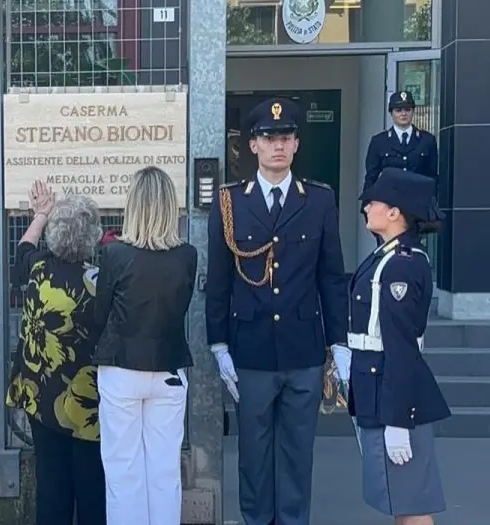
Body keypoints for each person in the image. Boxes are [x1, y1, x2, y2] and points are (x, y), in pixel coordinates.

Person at [206, 98, 349, 525]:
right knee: (253, 454)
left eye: (285, 137)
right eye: (268, 138)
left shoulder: (319, 201)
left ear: (297, 143)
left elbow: (331, 277)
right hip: (249, 352)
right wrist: (218, 345)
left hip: (303, 352)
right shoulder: (230, 203)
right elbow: (219, 280)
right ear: (252, 146)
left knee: (296, 456)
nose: (277, 146)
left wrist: (339, 343)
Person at [345, 167, 450, 525]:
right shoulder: (386, 257)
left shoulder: (400, 266)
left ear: (394, 213)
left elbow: (401, 347)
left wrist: (398, 419)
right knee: (398, 501)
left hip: (393, 398)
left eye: (373, 203)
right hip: (379, 393)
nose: (366, 209)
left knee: (411, 509)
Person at [94, 166, 197, 525]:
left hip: (121, 368)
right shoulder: (187, 255)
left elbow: (99, 314)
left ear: (133, 206)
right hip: (169, 368)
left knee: (124, 475)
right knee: (165, 473)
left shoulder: (114, 255)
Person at [6, 181, 106, 525]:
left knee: (51, 487)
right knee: (93, 487)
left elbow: (22, 249)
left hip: (43, 398)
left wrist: (41, 214)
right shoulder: (100, 282)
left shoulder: (36, 270)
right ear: (93, 236)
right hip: (87, 403)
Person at [363, 90, 438, 193]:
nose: (403, 114)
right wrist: (368, 204)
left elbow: (432, 177)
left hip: (418, 200)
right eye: (398, 110)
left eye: (407, 109)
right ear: (391, 113)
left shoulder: (427, 140)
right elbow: (372, 177)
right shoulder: (379, 141)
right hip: (388, 200)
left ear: (413, 111)